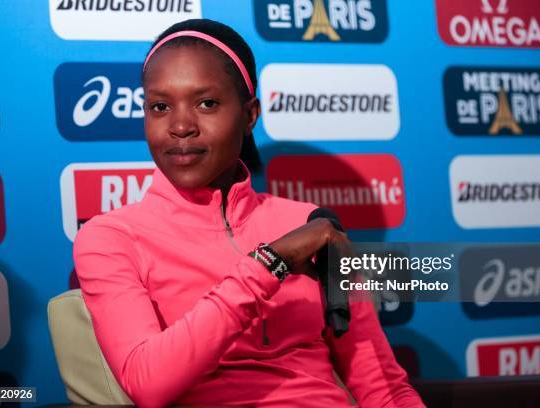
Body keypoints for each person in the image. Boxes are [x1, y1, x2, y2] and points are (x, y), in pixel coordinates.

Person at [74, 19, 424, 408]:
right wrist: (271, 263)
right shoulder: (110, 237)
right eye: (160, 106)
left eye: (206, 103)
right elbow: (148, 384)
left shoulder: (310, 224)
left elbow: (382, 387)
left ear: (250, 114)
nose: (180, 126)